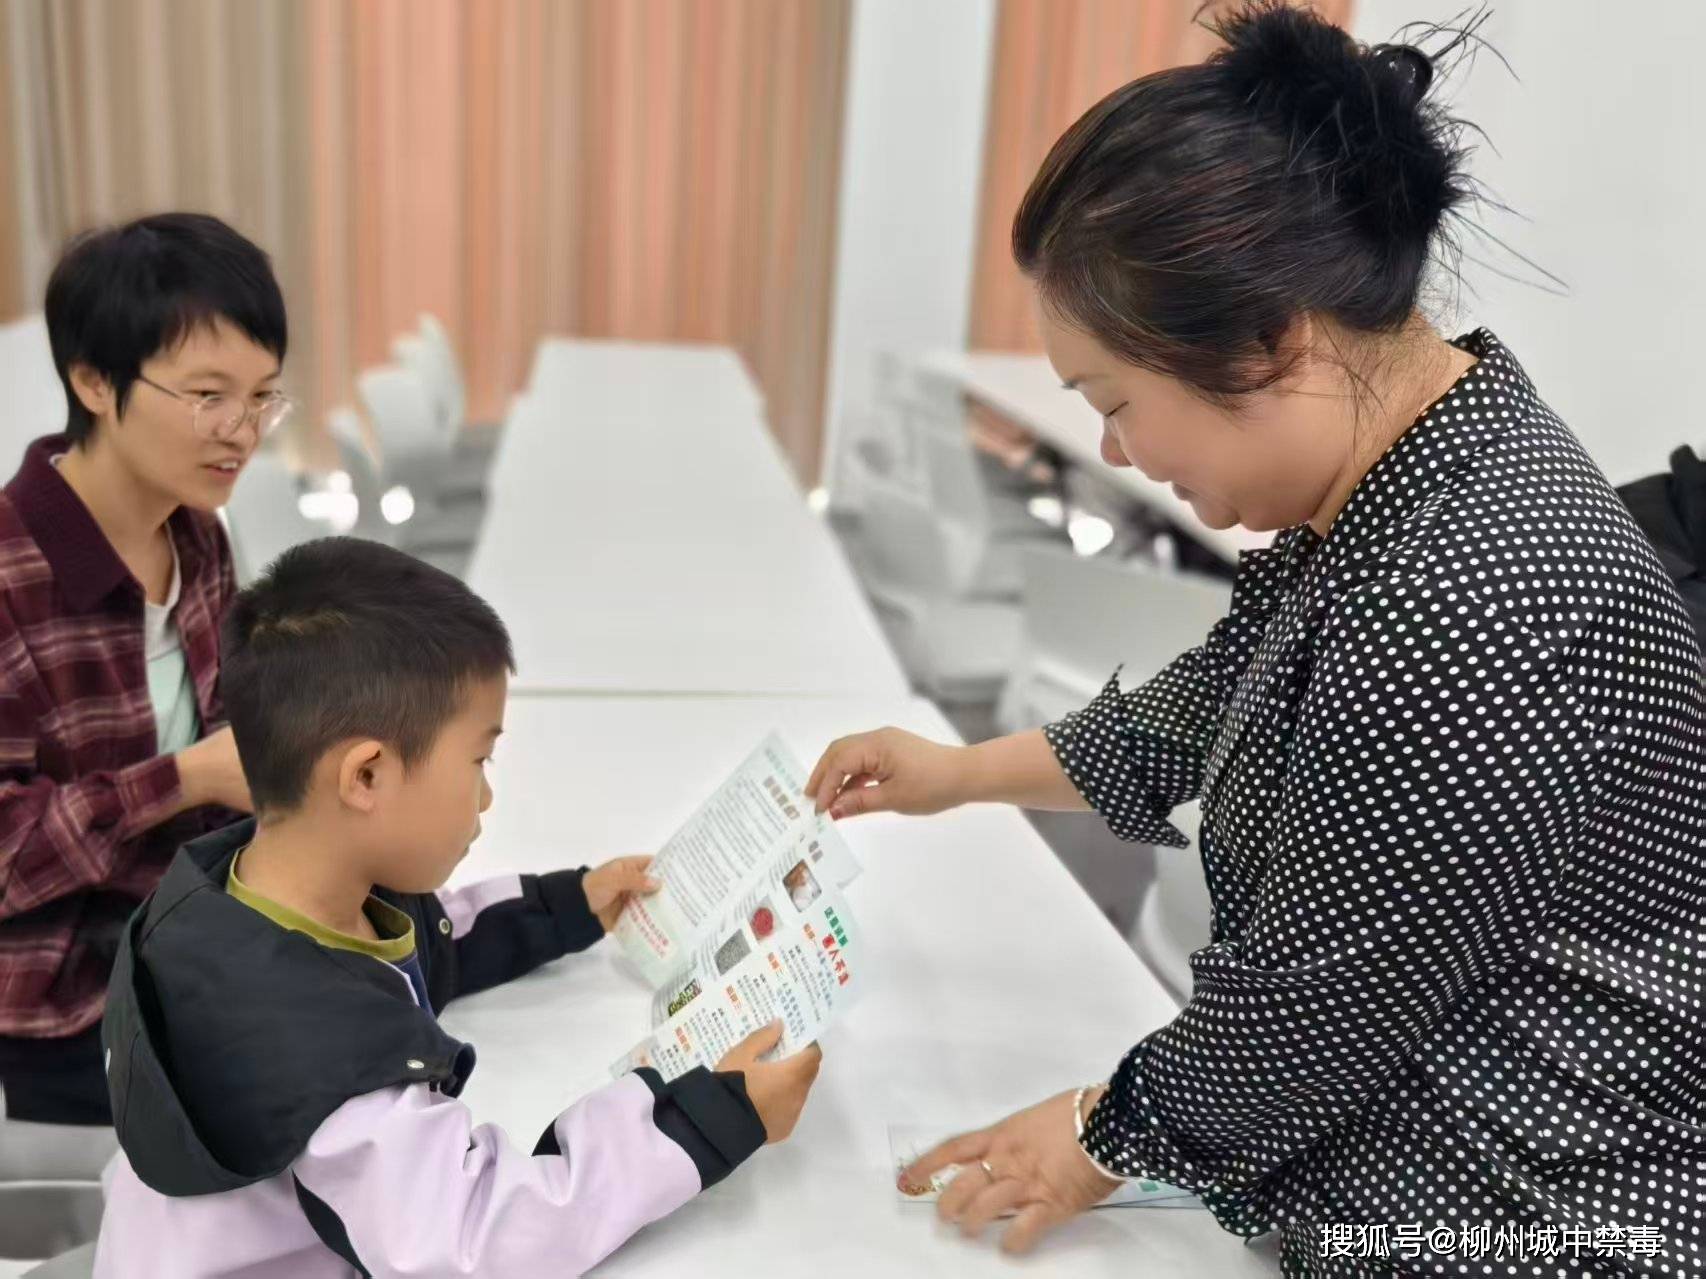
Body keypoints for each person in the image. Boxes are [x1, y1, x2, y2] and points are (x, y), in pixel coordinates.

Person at [809, 7, 1705, 1275]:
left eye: (1114, 403)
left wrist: (1094, 1136)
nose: (1115, 450)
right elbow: (1211, 702)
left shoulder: (1460, 593)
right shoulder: (1425, 461)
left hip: (1529, 1213)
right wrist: (955, 774)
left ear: (1272, 342)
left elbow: (1311, 1007)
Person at [95, 537, 823, 1277]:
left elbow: (428, 934)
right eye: (479, 759)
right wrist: (715, 1119)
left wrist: (564, 907)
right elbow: (481, 1237)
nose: (487, 794)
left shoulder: (246, 890)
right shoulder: (327, 1073)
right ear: (366, 776)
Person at [0, 213, 279, 1125]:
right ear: (93, 381)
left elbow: (231, 741)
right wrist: (184, 778)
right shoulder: (10, 577)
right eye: (207, 396)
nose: (241, 431)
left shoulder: (197, 536)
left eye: (262, 397)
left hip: (175, 940)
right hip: (53, 1009)